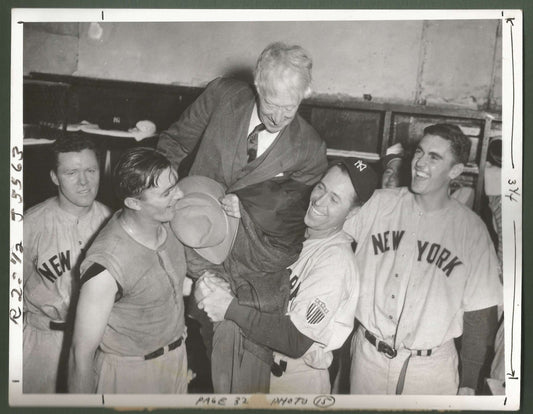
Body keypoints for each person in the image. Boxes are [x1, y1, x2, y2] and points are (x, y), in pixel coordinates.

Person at [157, 42, 327, 393]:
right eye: (271, 104)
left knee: (244, 370)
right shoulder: (222, 96)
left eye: (290, 109)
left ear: (304, 98)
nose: (277, 118)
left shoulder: (310, 149)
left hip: (255, 265)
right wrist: (163, 194)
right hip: (194, 242)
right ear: (257, 86)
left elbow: (292, 221)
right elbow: (172, 146)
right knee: (202, 359)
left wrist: (249, 207)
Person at [344, 123, 502, 395]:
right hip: (367, 354)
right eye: (420, 152)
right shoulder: (378, 204)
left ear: (455, 171)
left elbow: (480, 312)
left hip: (430, 369)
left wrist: (468, 380)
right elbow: (329, 233)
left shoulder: (471, 230)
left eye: (434, 157)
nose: (420, 162)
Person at [197, 159, 378, 394]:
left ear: (353, 211)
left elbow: (295, 340)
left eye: (335, 199)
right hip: (259, 366)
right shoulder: (295, 233)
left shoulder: (335, 262)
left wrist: (229, 308)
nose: (319, 201)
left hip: (295, 380)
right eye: (321, 187)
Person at [68, 148, 188, 394]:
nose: (180, 195)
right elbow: (80, 355)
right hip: (130, 375)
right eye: (168, 193)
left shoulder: (168, 221)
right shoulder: (105, 267)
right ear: (134, 203)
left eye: (174, 186)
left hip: (176, 361)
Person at [23, 134, 111, 393]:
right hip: (42, 341)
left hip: (98, 341)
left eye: (90, 170)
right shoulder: (30, 224)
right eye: (72, 172)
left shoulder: (113, 223)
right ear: (54, 177)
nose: (84, 182)